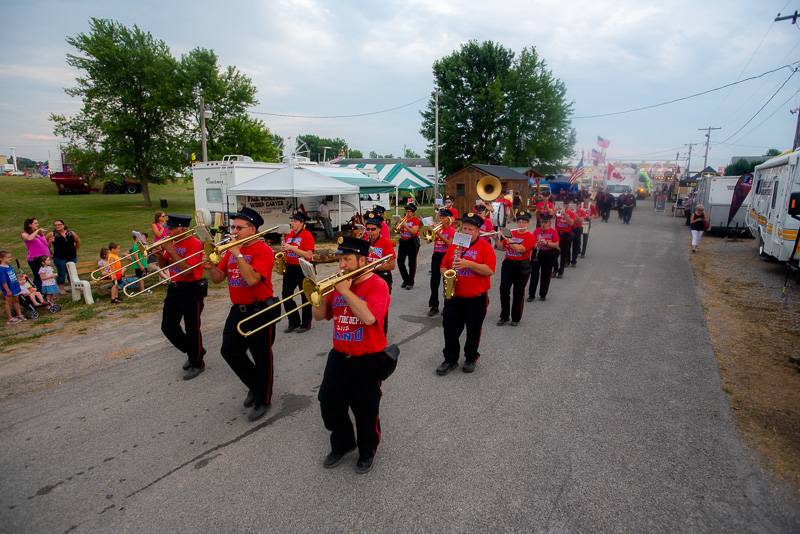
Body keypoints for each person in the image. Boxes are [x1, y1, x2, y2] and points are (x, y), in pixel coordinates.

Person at [313, 236, 391, 474]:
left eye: (347, 259)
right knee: (328, 403)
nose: (342, 265)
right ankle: (344, 443)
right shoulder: (339, 283)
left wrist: (345, 292)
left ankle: (367, 451)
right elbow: (319, 316)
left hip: (368, 358)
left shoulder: (378, 285)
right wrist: (315, 296)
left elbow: (369, 318)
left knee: (365, 410)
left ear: (362, 260)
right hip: (339, 355)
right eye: (340, 260)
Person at [205, 208, 279, 422]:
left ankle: (263, 399)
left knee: (262, 357)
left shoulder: (263, 250)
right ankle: (256, 386)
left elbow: (252, 280)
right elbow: (219, 278)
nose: (234, 231)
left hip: (260, 310)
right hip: (238, 308)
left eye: (239, 227)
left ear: (252, 229)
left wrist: (238, 254)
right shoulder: (230, 250)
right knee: (229, 351)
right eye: (233, 227)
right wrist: (210, 266)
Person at [436, 212, 496, 375]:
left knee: (473, 330)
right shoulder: (455, 245)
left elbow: (489, 270)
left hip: (476, 299)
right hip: (454, 297)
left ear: (478, 231)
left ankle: (470, 358)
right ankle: (450, 359)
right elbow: (443, 266)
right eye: (464, 228)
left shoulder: (485, 247)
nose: (467, 231)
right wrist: (448, 274)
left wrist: (468, 263)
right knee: (449, 329)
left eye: (470, 229)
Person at [158, 215, 207, 379]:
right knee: (168, 326)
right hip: (175, 287)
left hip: (191, 288)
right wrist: (159, 254)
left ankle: (197, 362)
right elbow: (164, 266)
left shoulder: (195, 244)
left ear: (183, 229)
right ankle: (195, 351)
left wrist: (171, 250)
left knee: (192, 327)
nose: (168, 231)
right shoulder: (172, 242)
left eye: (171, 228)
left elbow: (187, 271)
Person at [496, 211, 535, 326]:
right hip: (508, 264)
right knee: (503, 290)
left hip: (522, 265)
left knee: (518, 293)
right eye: (519, 221)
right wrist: (495, 238)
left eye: (524, 222)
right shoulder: (511, 234)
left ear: (528, 223)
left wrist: (508, 239)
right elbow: (501, 248)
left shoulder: (530, 237)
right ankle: (504, 316)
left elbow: (520, 249)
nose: (521, 224)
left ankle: (515, 318)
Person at [281, 211, 315, 333]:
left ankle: (306, 324)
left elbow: (309, 255)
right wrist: (285, 249)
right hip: (290, 267)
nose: (292, 223)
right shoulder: (288, 235)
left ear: (302, 223)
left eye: (295, 221)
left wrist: (292, 248)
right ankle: (293, 322)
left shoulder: (307, 235)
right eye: (292, 221)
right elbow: (287, 250)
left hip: (303, 268)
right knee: (286, 295)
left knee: (305, 296)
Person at [364, 211, 396, 334]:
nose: (370, 232)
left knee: (382, 309)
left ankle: (382, 335)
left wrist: (373, 267)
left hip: (382, 279)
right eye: (368, 229)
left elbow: (392, 265)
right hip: (368, 279)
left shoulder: (386, 243)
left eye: (373, 229)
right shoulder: (366, 242)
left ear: (379, 229)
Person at [427, 208, 456, 317]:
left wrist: (438, 233)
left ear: (448, 219)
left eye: (443, 217)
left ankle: (447, 306)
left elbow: (450, 245)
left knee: (447, 282)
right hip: (436, 256)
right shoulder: (438, 228)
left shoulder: (452, 231)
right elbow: (429, 239)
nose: (441, 219)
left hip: (447, 257)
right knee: (434, 282)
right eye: (440, 217)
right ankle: (434, 306)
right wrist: (430, 233)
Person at [527, 214, 559, 302]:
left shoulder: (553, 232)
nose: (543, 224)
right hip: (537, 253)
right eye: (542, 222)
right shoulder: (537, 230)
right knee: (534, 274)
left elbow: (556, 245)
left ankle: (543, 294)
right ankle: (531, 295)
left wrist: (547, 243)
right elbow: (532, 241)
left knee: (546, 274)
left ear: (549, 223)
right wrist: (535, 244)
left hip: (548, 253)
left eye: (545, 222)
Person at [49, 219, 80, 294]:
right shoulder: (52, 234)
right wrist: (51, 252)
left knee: (71, 272)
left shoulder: (71, 233)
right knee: (62, 272)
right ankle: (61, 289)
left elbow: (77, 241)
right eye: (55, 225)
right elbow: (46, 245)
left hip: (71, 256)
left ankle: (73, 287)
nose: (57, 226)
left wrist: (75, 250)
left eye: (59, 224)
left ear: (63, 225)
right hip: (59, 257)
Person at [21, 218, 50, 291]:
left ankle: (47, 293)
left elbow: (46, 244)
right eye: (35, 223)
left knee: (46, 276)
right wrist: (37, 230)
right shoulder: (25, 234)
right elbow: (29, 239)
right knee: (38, 276)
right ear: (30, 225)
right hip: (35, 259)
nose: (38, 224)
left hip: (44, 258)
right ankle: (38, 292)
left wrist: (48, 239)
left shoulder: (39, 234)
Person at [396, 204, 421, 290]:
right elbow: (398, 230)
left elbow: (414, 232)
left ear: (413, 212)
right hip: (403, 241)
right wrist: (399, 226)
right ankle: (406, 279)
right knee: (400, 261)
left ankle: (410, 281)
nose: (407, 213)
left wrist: (405, 225)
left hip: (412, 241)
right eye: (406, 211)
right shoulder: (404, 219)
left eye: (409, 211)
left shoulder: (415, 220)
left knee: (411, 263)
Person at [0, 251, 25, 324]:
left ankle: (19, 314)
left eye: (10, 257)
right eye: (8, 257)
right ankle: (9, 318)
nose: (10, 258)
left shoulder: (9, 266)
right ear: (1, 259)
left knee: (16, 301)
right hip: (8, 289)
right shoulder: (1, 269)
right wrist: (7, 290)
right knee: (8, 303)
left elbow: (13, 275)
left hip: (15, 286)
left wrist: (18, 279)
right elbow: (3, 281)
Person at [553, 208, 574, 278]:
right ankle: (555, 269)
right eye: (564, 203)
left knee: (563, 254)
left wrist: (565, 214)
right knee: (554, 253)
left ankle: (561, 271)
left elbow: (571, 223)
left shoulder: (571, 212)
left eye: (566, 203)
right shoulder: (558, 211)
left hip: (566, 235)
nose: (565, 205)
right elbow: (552, 217)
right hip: (557, 234)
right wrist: (554, 211)